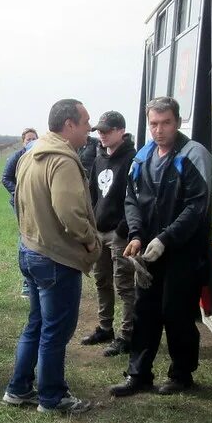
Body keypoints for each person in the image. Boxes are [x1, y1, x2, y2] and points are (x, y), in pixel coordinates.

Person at [110, 96, 212, 397]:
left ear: (178, 122)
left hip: (182, 251)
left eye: (165, 123)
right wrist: (137, 235)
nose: (159, 130)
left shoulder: (193, 155)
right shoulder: (142, 157)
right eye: (153, 124)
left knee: (177, 312)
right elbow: (131, 199)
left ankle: (181, 374)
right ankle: (138, 373)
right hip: (148, 251)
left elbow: (197, 207)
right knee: (145, 311)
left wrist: (166, 238)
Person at [3, 99, 101, 414]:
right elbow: (70, 212)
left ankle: (18, 390)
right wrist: (89, 240)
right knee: (55, 331)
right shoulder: (62, 161)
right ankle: (52, 397)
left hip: (30, 249)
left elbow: (17, 198)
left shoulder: (30, 154)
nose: (90, 127)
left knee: (37, 323)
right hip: (55, 257)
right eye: (85, 121)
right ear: (69, 125)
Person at [81, 111, 136, 357]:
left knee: (124, 284)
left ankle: (128, 334)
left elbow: (136, 198)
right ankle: (105, 327)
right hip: (99, 231)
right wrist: (91, 222)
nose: (101, 135)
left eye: (106, 130)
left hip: (119, 233)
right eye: (99, 131)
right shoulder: (99, 158)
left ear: (120, 131)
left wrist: (124, 228)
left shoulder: (132, 160)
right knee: (102, 281)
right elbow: (93, 193)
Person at [1, 127, 38, 297]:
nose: (31, 141)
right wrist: (18, 192)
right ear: (23, 141)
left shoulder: (38, 155)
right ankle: (26, 284)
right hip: (21, 203)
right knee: (25, 236)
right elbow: (5, 178)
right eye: (28, 139)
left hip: (36, 204)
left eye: (34, 138)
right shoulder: (18, 156)